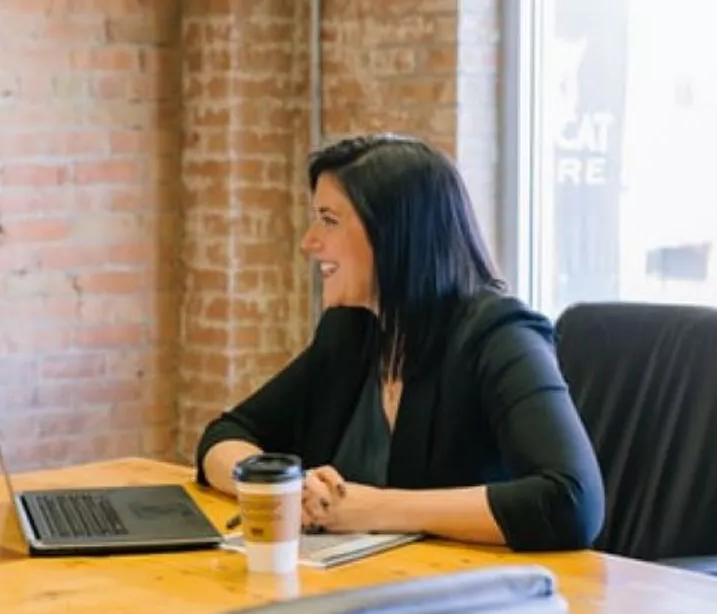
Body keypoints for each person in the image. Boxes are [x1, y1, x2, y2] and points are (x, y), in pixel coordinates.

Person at [194, 133, 605, 552]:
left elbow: (570, 502)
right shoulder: (353, 331)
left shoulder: (501, 336)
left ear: (395, 234)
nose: (309, 241)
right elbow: (226, 433)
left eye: (329, 220)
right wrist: (284, 490)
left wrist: (367, 509)